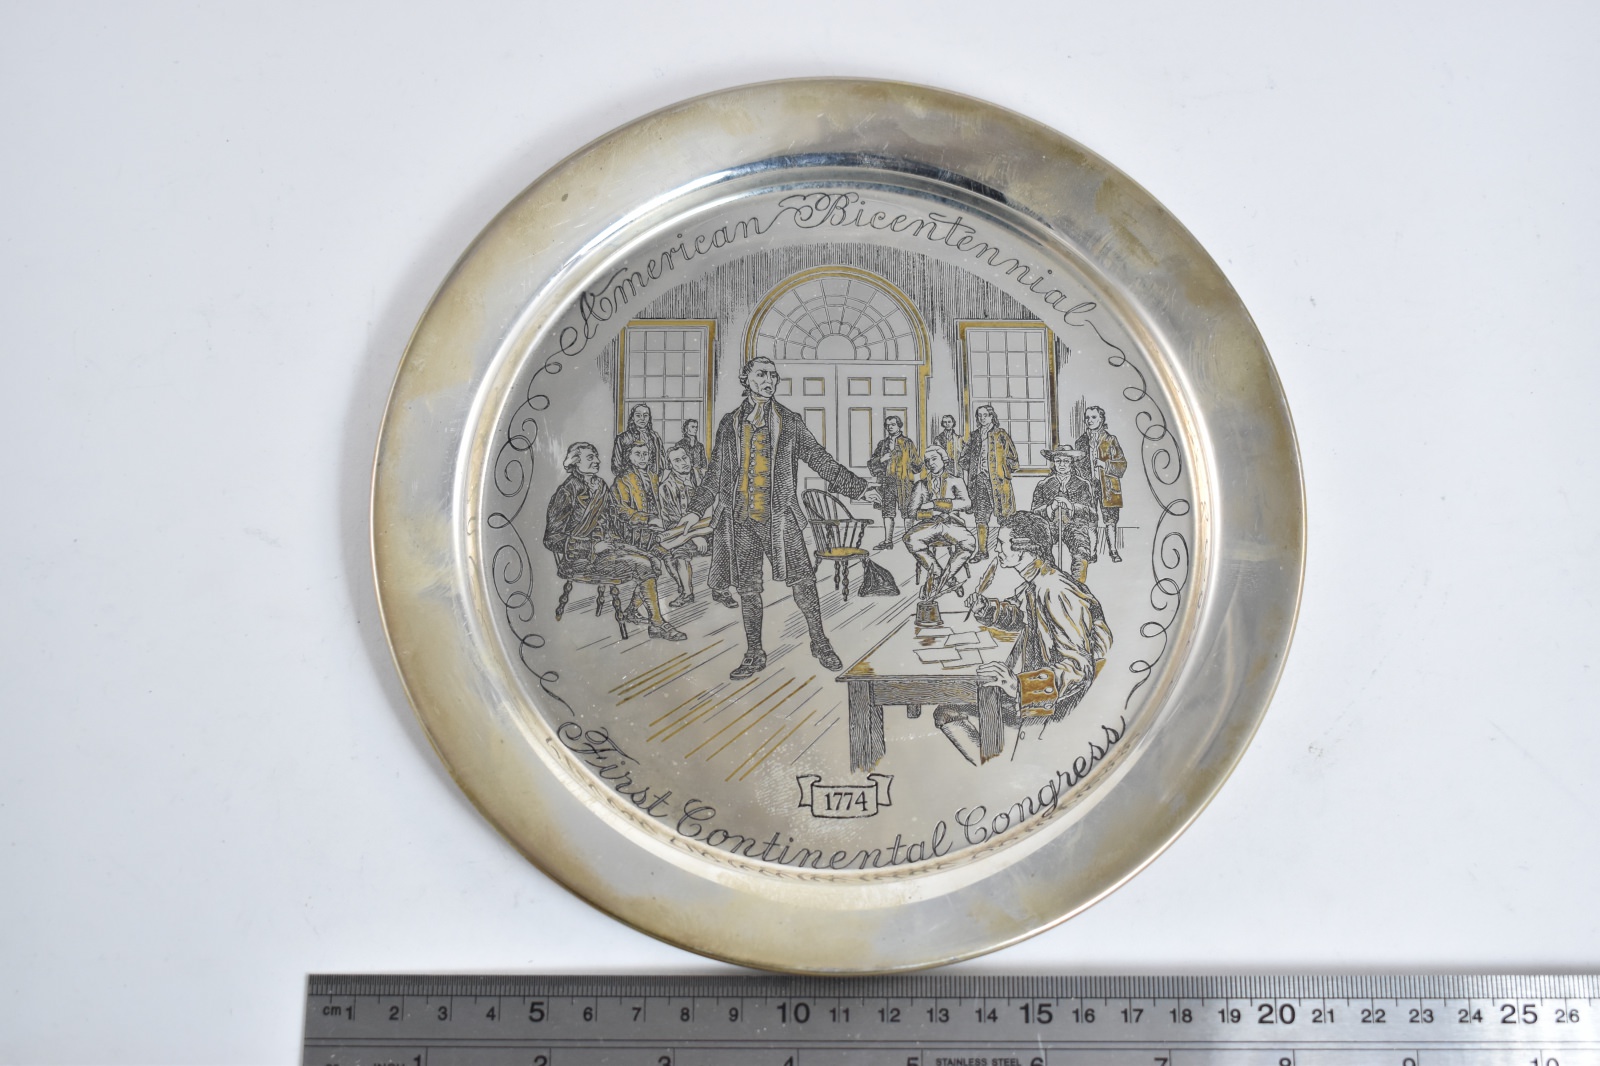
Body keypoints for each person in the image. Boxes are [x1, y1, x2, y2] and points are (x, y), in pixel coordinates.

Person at [682, 356, 882, 679]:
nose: (769, 381)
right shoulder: (729, 423)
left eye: (773, 376)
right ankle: (754, 653)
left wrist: (857, 489)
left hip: (780, 517)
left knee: (803, 581)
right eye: (762, 374)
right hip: (740, 520)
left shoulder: (789, 421)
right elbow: (714, 473)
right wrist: (694, 511)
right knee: (748, 588)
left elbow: (819, 459)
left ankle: (820, 642)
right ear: (746, 379)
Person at [934, 511, 1111, 763]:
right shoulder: (1038, 581)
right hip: (1041, 694)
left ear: (1025, 550)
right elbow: (1021, 615)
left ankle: (992, 766)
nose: (997, 550)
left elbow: (1078, 668)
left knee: (948, 711)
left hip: (1051, 706)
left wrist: (1017, 686)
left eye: (1002, 544)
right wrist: (987, 609)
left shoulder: (1056, 590)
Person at [543, 442, 685, 641]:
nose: (596, 460)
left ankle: (631, 611)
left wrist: (640, 524)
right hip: (580, 558)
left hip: (608, 547)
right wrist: (592, 547)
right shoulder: (566, 492)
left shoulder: (600, 485)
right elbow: (552, 538)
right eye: (590, 457)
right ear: (575, 462)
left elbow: (613, 516)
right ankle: (657, 624)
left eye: (595, 456)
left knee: (654, 560)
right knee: (644, 565)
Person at [903, 445, 975, 595]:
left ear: (944, 460)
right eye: (927, 461)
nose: (930, 463)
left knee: (969, 542)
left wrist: (936, 504)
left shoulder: (956, 481)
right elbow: (912, 512)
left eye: (934, 459)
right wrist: (931, 513)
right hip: (929, 525)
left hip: (951, 523)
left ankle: (943, 577)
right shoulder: (921, 485)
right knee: (910, 539)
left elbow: (967, 503)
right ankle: (943, 577)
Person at [958, 403, 1019, 559]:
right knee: (981, 517)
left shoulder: (1001, 434)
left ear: (992, 417)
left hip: (998, 484)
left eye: (985, 415)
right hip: (979, 482)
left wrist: (1002, 471)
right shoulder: (974, 436)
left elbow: (1013, 460)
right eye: (979, 415)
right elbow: (963, 459)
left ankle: (1007, 551)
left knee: (1004, 517)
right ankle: (982, 552)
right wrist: (973, 468)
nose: (982, 418)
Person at [1030, 446, 1097, 583]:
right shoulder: (1043, 484)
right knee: (1040, 550)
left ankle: (1078, 586)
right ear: (1054, 462)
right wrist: (1050, 507)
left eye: (1066, 461)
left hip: (1075, 525)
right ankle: (1048, 583)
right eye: (1058, 461)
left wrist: (1071, 506)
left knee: (1081, 550)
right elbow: (1034, 512)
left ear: (1071, 463)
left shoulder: (1082, 484)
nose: (1062, 465)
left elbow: (1092, 512)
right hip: (1050, 525)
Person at [656, 443, 712, 607]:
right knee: (679, 554)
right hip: (683, 532)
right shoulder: (666, 487)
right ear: (670, 465)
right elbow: (672, 520)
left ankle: (721, 589)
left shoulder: (704, 476)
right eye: (677, 461)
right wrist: (695, 536)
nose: (683, 463)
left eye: (684, 458)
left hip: (710, 527)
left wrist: (703, 532)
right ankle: (687, 593)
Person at [1075, 405, 1128, 563]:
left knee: (1110, 520)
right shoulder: (1081, 442)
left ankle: (1113, 551)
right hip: (1089, 486)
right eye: (1087, 418)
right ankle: (1092, 553)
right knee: (1091, 520)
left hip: (1108, 486)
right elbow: (1077, 466)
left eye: (1093, 417)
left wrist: (1104, 464)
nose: (1089, 420)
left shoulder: (1111, 440)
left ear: (1101, 419)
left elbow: (1122, 465)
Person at [866, 414, 921, 549]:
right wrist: (882, 459)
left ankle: (910, 540)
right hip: (887, 483)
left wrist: (906, 468)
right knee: (887, 512)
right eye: (888, 425)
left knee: (907, 512)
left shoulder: (908, 443)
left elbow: (917, 465)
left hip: (904, 483)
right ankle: (888, 541)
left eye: (893, 424)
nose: (890, 427)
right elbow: (872, 463)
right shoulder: (882, 444)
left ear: (899, 426)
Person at [611, 403, 668, 477]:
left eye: (645, 415)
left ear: (649, 417)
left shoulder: (655, 437)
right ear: (632, 417)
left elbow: (661, 461)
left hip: (652, 479)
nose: (642, 418)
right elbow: (616, 464)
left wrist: (657, 477)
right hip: (630, 479)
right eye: (638, 415)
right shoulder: (623, 438)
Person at [671, 418, 708, 488]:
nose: (695, 429)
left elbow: (704, 463)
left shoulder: (700, 446)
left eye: (696, 427)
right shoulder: (679, 445)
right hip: (684, 476)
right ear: (686, 429)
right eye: (693, 427)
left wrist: (703, 472)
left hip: (698, 476)